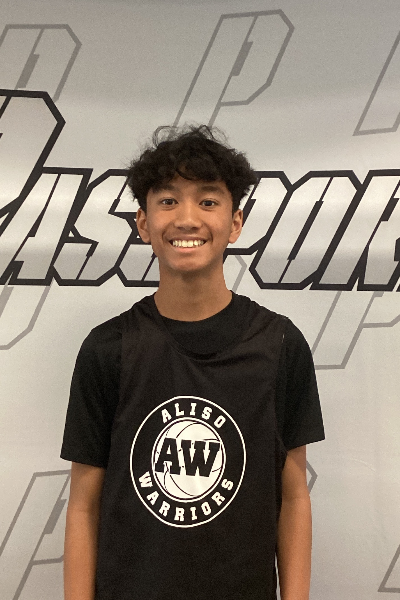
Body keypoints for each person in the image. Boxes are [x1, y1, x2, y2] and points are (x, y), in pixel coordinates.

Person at [61, 125, 325, 600]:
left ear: (235, 222)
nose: (187, 218)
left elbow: (293, 498)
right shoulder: (108, 348)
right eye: (168, 201)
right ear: (143, 223)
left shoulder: (281, 345)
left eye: (207, 201)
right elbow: (83, 506)